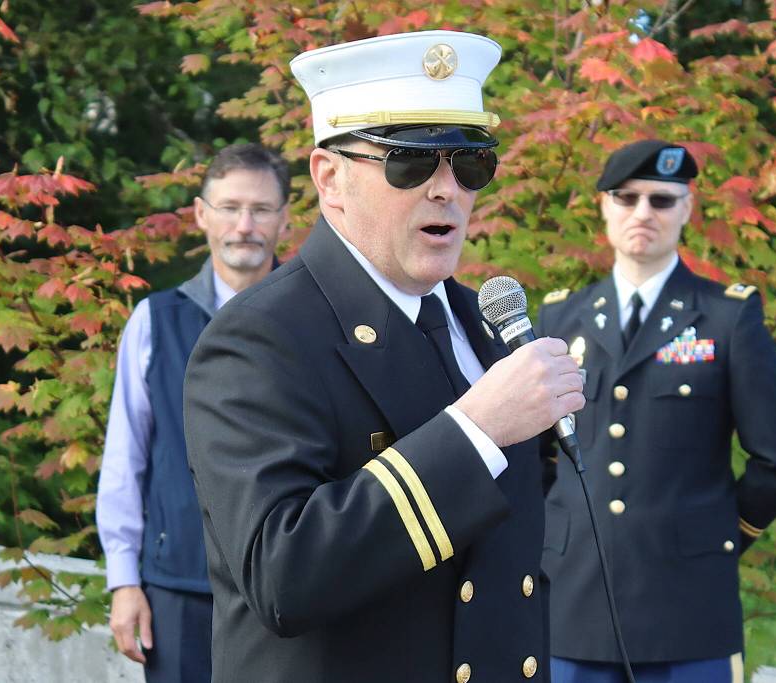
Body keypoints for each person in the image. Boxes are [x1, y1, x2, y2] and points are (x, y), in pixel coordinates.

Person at [183, 30, 584, 683]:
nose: (446, 190)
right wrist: (475, 429)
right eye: (410, 162)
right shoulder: (259, 337)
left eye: (471, 163)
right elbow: (283, 575)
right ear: (329, 178)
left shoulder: (484, 325)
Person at [538, 139, 776, 683]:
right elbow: (527, 452)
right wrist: (552, 532)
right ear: (604, 205)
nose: (643, 213)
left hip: (686, 608)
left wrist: (720, 531)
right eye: (627, 197)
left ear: (687, 209)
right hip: (571, 604)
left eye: (662, 201)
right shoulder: (560, 319)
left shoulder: (726, 318)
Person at [95, 143, 290, 682]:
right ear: (202, 214)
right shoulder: (155, 321)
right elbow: (126, 456)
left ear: (286, 218)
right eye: (229, 207)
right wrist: (124, 581)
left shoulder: (315, 320)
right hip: (177, 587)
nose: (244, 224)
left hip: (288, 587)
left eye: (261, 209)